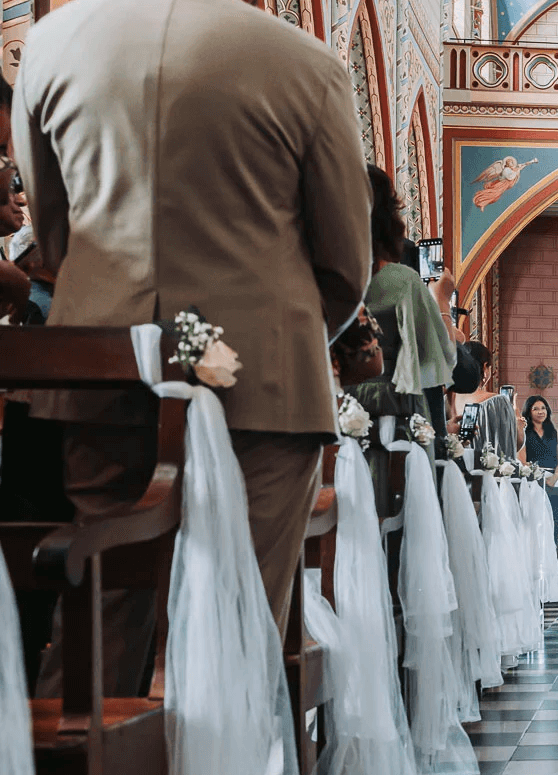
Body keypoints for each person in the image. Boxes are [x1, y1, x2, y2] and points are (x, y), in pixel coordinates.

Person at [14, 0, 371, 671]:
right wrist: (274, 338)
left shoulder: (51, 44)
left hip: (103, 365)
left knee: (104, 612)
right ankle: (227, 739)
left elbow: (53, 231)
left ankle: (97, 734)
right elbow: (346, 262)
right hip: (266, 385)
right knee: (240, 619)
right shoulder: (307, 64)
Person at [350, 165, 456, 460]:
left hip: (333, 408)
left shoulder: (320, 276)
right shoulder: (401, 282)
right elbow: (443, 357)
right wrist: (442, 302)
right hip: (391, 417)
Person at [448, 342, 521, 458]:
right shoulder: (498, 402)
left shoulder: (446, 400)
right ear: (484, 367)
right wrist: (517, 419)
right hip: (486, 468)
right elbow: (512, 446)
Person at [519, 395, 558, 483]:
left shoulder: (555, 433)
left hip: (553, 479)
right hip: (531, 479)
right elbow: (522, 461)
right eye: (535, 409)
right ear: (529, 412)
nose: (540, 412)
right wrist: (535, 475)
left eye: (543, 408)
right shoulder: (524, 433)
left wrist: (555, 477)